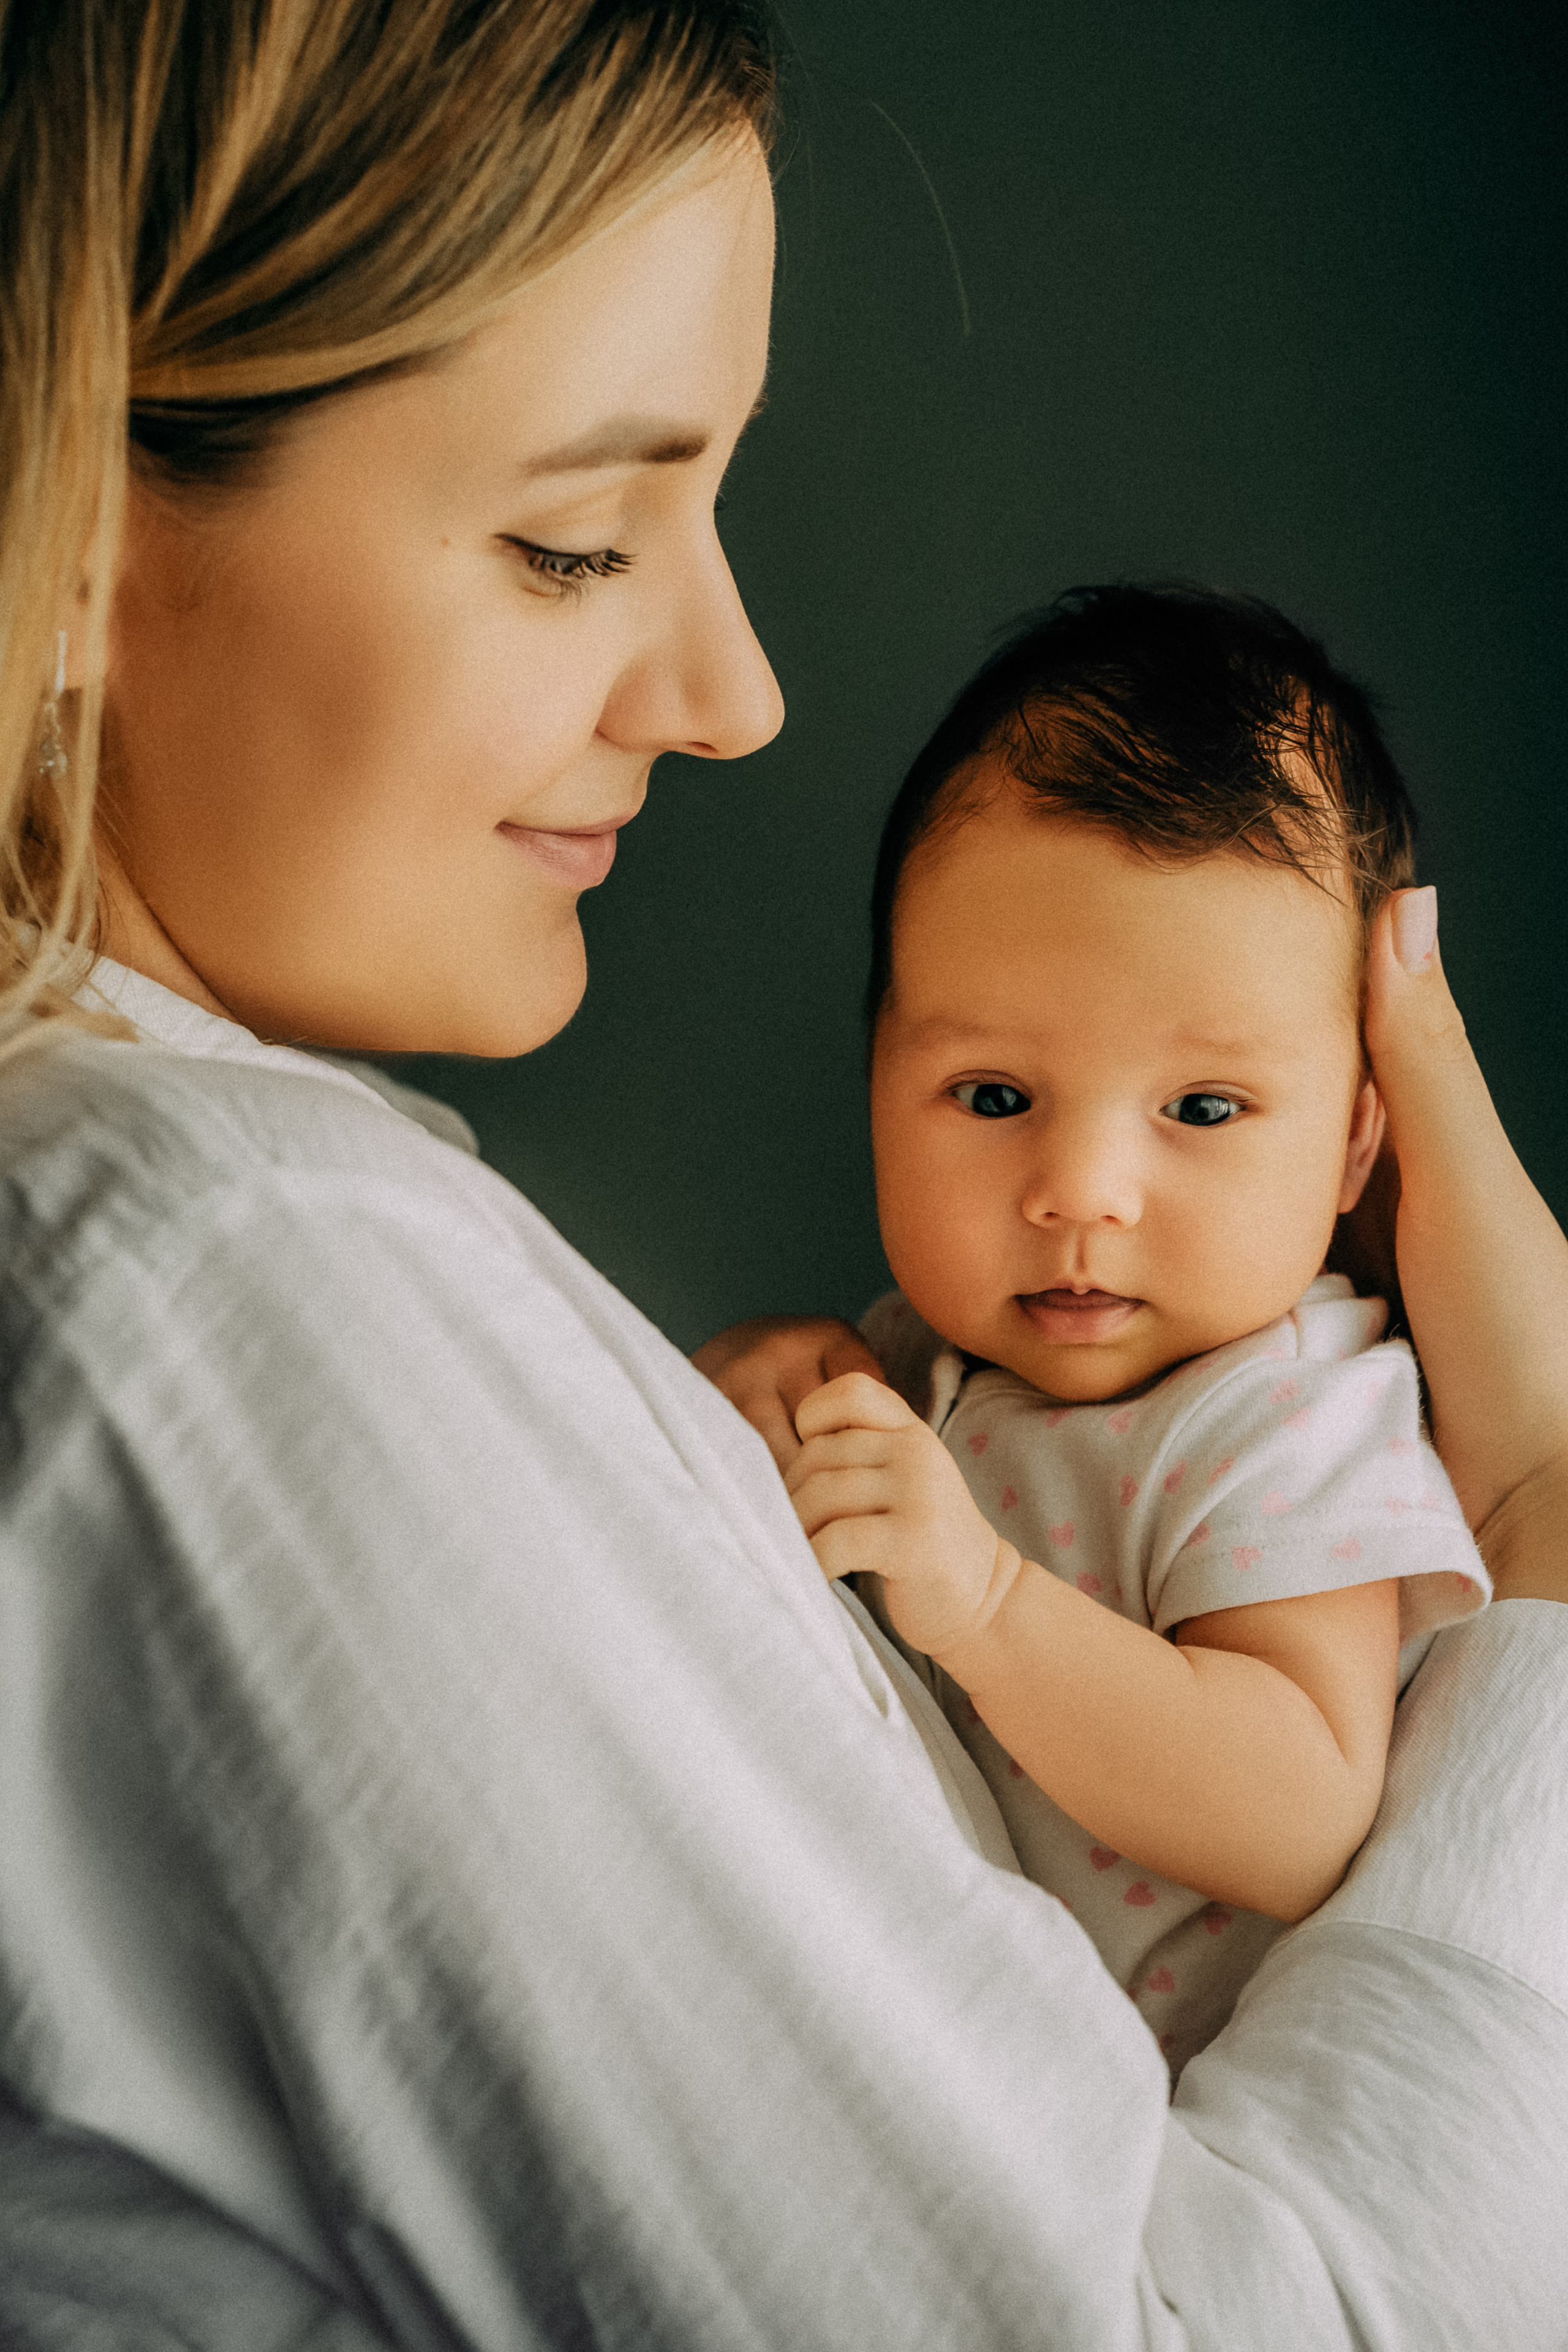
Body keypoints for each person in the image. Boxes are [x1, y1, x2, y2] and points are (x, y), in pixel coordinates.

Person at [1, 6, 1566, 2348]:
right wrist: (1548, 1534)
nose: (734, 690)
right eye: (570, 542)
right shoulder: (225, 1276)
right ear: (70, 524)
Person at [771, 585, 1488, 2078]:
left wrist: (977, 1601)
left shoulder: (1287, 1409)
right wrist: (768, 1382)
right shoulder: (935, 1362)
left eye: (1202, 1111)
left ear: (1353, 1146)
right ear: (872, 1084)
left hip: (1206, 2118)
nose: (1078, 1194)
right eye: (990, 1097)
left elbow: (1297, 1812)